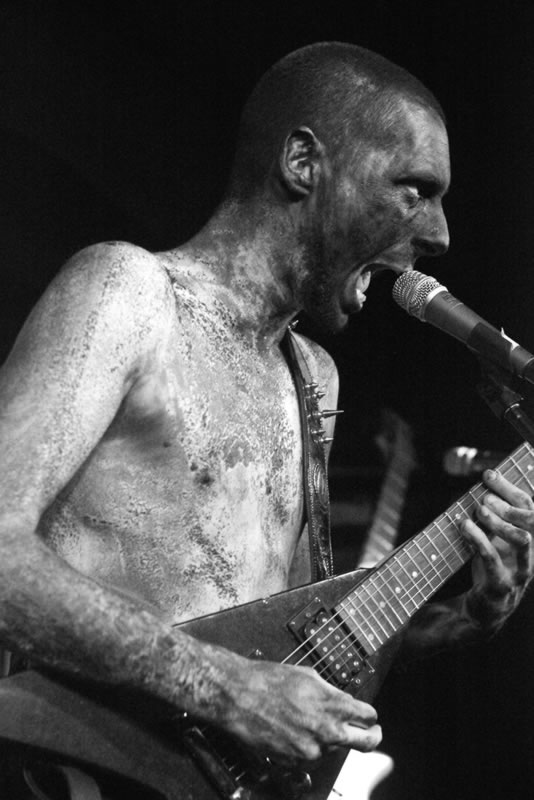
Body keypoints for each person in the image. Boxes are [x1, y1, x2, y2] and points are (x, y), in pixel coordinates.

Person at [0, 41, 531, 797]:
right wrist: (225, 688)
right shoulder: (132, 294)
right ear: (303, 162)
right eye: (414, 188)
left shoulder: (313, 377)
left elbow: (298, 658)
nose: (441, 234)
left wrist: (466, 617)